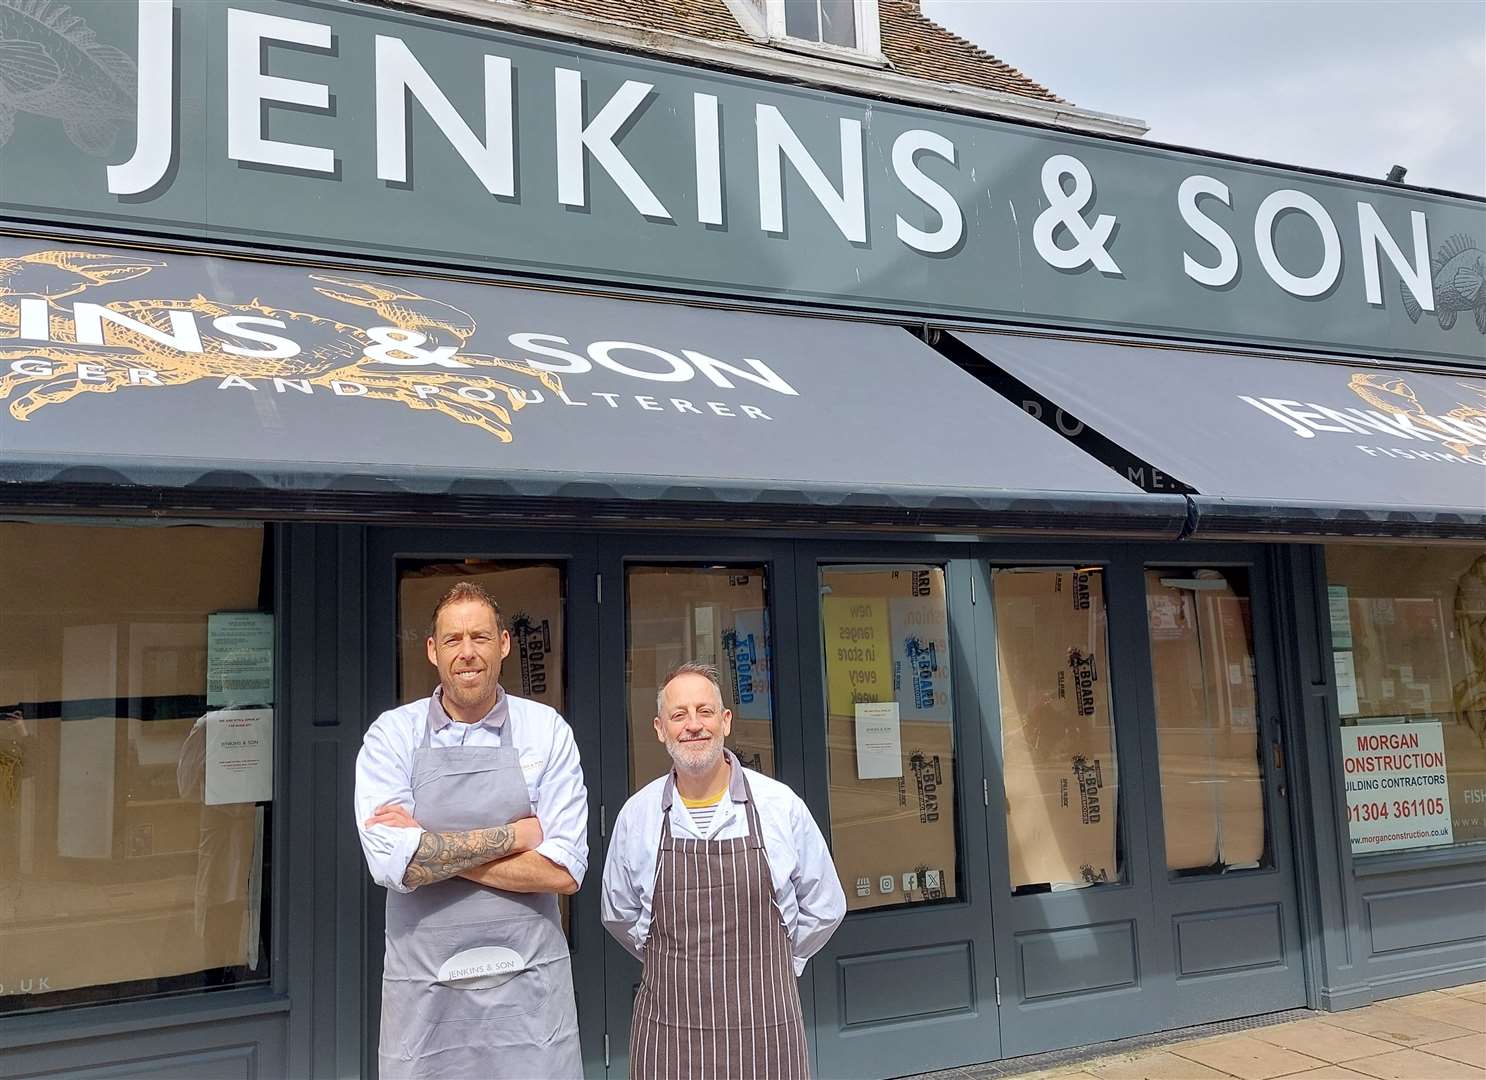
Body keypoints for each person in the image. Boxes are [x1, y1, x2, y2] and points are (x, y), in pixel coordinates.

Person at [355, 581, 587, 1079]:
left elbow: (564, 872)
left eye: (480, 638)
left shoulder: (546, 730)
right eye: (453, 639)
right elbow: (393, 864)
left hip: (529, 999)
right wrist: (519, 836)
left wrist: (431, 848)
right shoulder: (390, 735)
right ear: (433, 651)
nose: (468, 653)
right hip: (427, 1000)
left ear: (503, 644)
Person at [601, 661, 846, 1080]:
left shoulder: (779, 805)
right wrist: (671, 962)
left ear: (726, 721)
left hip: (767, 1029)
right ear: (660, 728)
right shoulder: (636, 816)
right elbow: (618, 913)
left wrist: (783, 964)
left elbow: (826, 906)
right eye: (679, 715)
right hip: (668, 1033)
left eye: (705, 711)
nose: (693, 725)